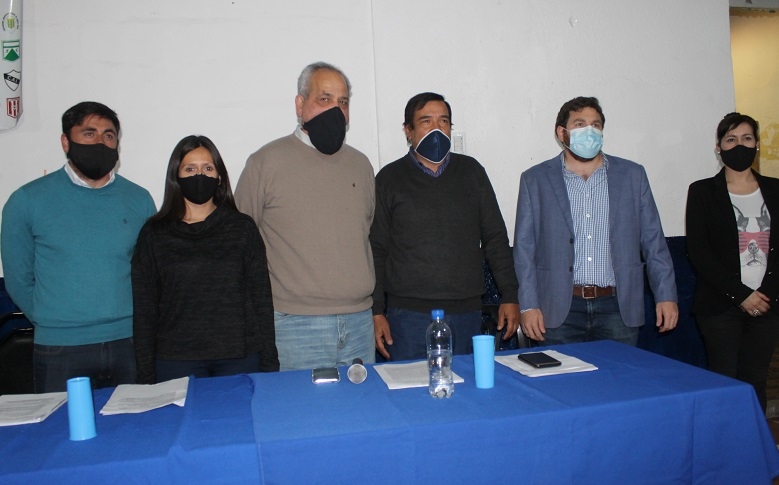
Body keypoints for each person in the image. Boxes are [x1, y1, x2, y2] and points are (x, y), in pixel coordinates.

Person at [1, 101, 156, 392]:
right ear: (65, 141)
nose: (100, 142)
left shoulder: (139, 200)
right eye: (89, 133)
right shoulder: (27, 201)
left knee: (132, 422)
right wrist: (54, 320)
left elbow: (148, 273)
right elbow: (18, 279)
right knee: (62, 423)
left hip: (128, 343)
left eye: (108, 135)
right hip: (60, 348)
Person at [234, 62, 375, 371]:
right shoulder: (265, 163)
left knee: (363, 404)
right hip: (294, 326)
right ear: (300, 105)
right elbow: (238, 242)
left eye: (343, 102)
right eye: (325, 99)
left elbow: (366, 232)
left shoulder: (361, 165)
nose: (336, 110)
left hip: (359, 324)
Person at [513, 96, 678, 346]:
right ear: (562, 133)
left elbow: (653, 241)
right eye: (580, 124)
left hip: (617, 308)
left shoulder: (632, 175)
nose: (589, 131)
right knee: (563, 374)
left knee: (619, 373)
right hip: (558, 309)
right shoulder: (535, 180)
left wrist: (666, 295)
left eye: (596, 125)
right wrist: (528, 305)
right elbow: (524, 250)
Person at [370, 92, 519, 361]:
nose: (436, 128)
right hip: (407, 317)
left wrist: (510, 295)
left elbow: (495, 238)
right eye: (426, 121)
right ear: (408, 131)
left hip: (466, 313)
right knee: (410, 385)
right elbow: (377, 249)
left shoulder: (472, 172)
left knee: (464, 384)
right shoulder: (389, 179)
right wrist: (376, 311)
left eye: (444, 121)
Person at [132, 135, 279, 383]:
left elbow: (261, 300)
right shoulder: (154, 234)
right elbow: (145, 309)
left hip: (239, 357)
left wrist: (269, 363)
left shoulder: (242, 228)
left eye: (208, 168)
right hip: (175, 361)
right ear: (176, 176)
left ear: (219, 176)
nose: (199, 175)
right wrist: (145, 374)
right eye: (190, 169)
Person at [685, 112, 779, 412]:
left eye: (747, 138)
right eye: (731, 139)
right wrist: (742, 296)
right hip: (720, 307)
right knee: (724, 381)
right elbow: (699, 252)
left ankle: (755, 440)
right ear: (719, 147)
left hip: (768, 304)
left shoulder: (776, 190)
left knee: (756, 381)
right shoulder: (702, 192)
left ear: (757, 145)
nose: (739, 145)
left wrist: (764, 296)